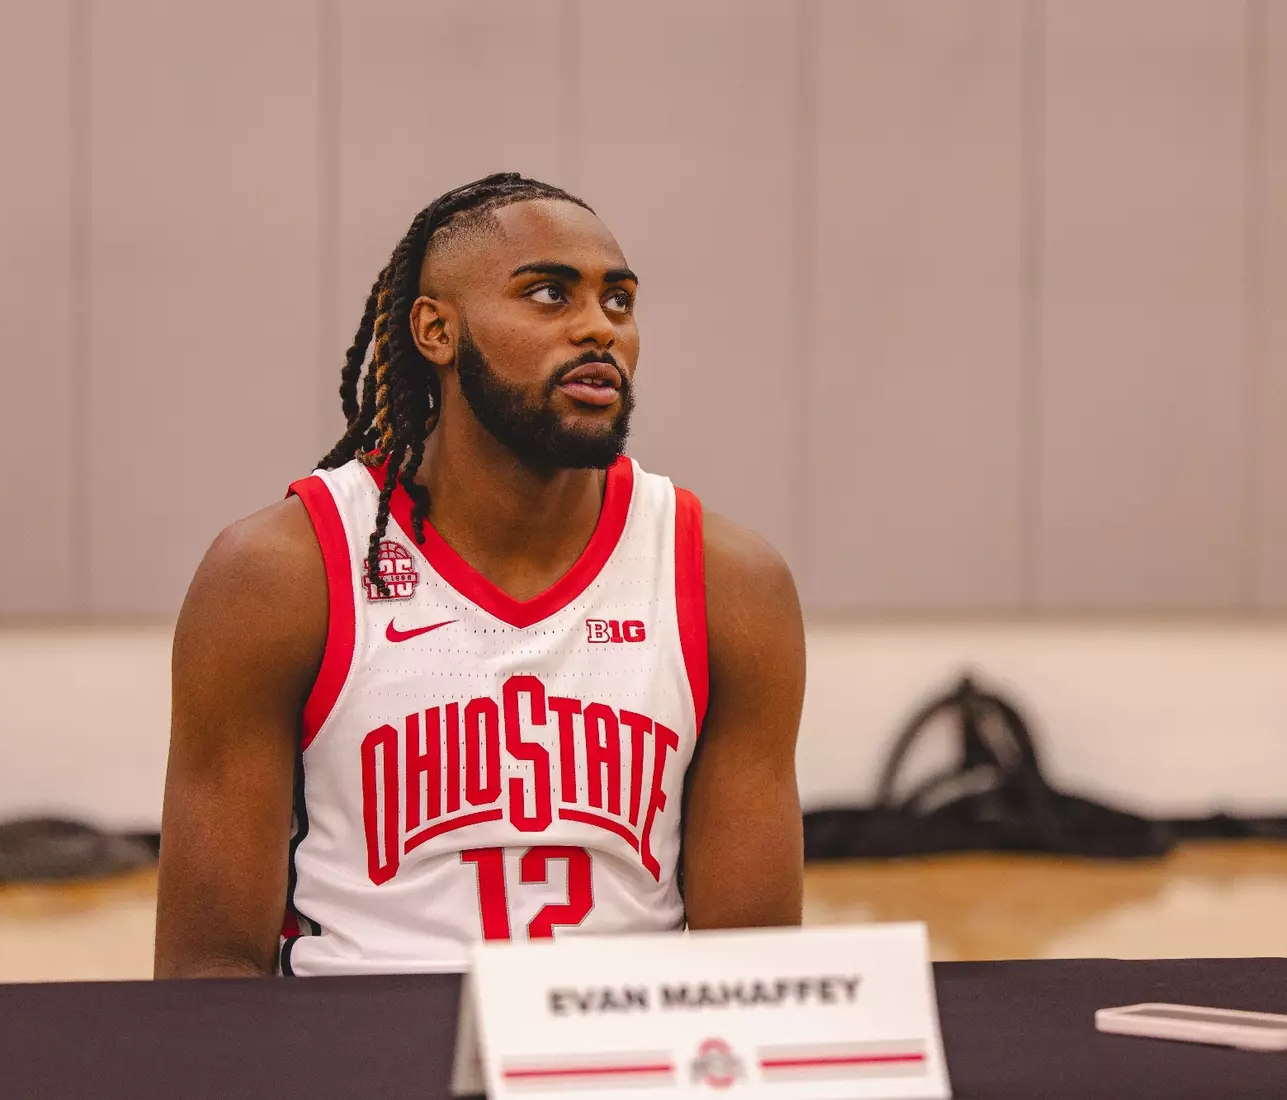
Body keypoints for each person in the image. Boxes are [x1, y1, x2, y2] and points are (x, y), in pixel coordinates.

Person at [154, 173, 805, 978]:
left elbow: (751, 976)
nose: (598, 329)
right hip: (359, 1061)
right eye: (548, 295)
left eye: (619, 301)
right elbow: (207, 973)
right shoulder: (278, 574)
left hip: (621, 1064)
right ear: (435, 330)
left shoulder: (729, 581)